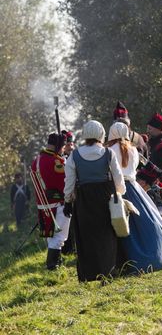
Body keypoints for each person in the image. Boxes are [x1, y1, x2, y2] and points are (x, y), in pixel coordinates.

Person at [106, 122, 162, 274]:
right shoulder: (133, 150)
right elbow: (154, 169)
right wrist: (146, 183)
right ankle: (157, 257)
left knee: (118, 227)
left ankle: (121, 264)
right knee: (147, 224)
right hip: (135, 190)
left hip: (116, 190)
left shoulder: (108, 151)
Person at [63, 120, 126, 282]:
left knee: (86, 236)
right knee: (106, 236)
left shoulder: (74, 155)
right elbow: (119, 180)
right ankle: (108, 272)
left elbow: (69, 182)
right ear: (101, 134)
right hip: (105, 198)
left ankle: (88, 275)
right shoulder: (108, 153)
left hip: (84, 199)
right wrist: (119, 194)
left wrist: (68, 201)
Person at [31, 133, 71, 270]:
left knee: (51, 237)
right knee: (59, 238)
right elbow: (65, 183)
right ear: (58, 146)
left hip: (43, 206)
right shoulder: (57, 162)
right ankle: (53, 266)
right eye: (62, 146)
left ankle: (56, 263)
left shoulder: (36, 161)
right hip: (58, 204)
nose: (63, 150)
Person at [61, 130, 76, 255]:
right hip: (65, 195)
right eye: (67, 144)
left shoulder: (77, 157)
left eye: (71, 144)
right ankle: (67, 249)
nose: (70, 146)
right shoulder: (60, 161)